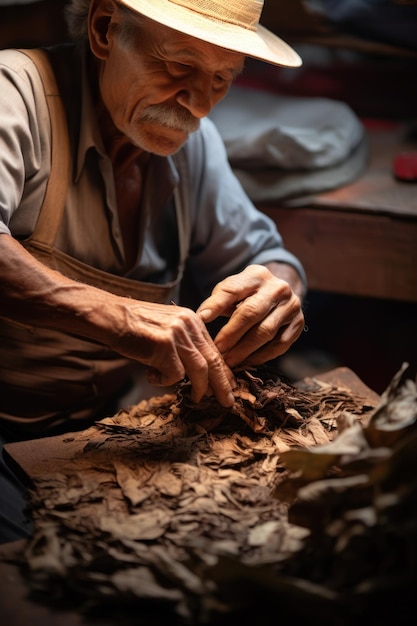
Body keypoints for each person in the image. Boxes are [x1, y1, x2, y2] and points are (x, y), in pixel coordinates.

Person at [0, 0, 306, 542]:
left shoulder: (193, 144)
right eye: (179, 66)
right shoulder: (14, 92)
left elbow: (264, 251)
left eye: (221, 78)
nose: (199, 105)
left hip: (100, 427)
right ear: (104, 29)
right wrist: (113, 314)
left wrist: (279, 289)